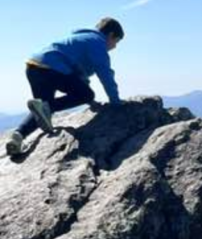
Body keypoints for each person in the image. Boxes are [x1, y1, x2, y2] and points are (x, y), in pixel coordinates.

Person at [6, 17, 124, 157]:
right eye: (116, 41)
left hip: (34, 67)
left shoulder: (80, 38)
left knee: (43, 111)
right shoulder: (97, 42)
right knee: (84, 95)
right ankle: (45, 109)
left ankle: (18, 136)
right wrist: (115, 102)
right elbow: (105, 73)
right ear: (110, 35)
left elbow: (78, 78)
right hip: (53, 69)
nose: (114, 47)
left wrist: (90, 104)